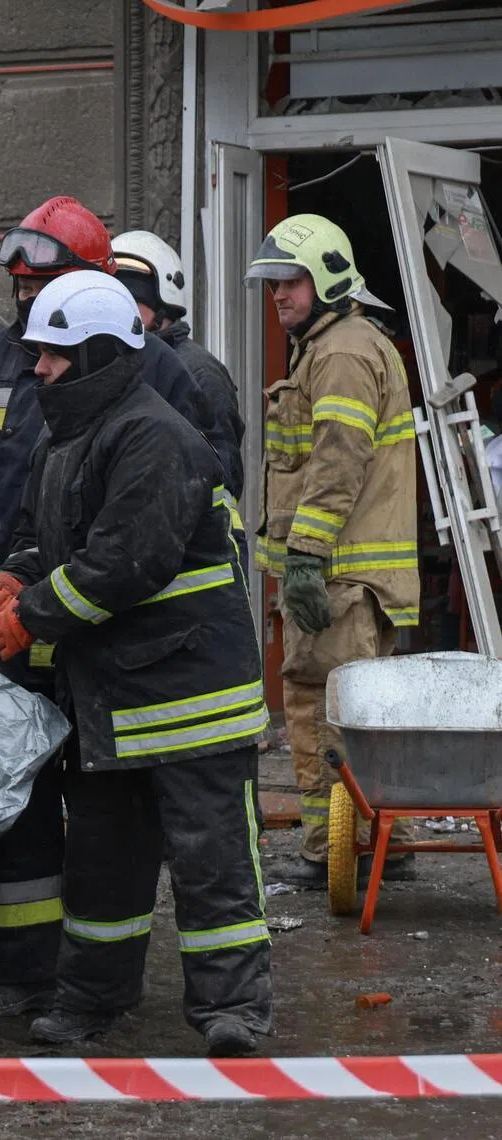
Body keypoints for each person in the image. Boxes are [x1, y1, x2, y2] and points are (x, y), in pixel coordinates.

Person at [0, 195, 216, 1022]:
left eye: (43, 284)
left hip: (104, 640)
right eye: (18, 285)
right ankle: (17, 974)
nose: (25, 303)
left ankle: (100, 983)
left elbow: (170, 506)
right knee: (12, 807)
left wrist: (51, 602)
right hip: (2, 629)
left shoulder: (153, 372)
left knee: (112, 815)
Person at [0, 270, 271, 1058]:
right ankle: (90, 1004)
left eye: (53, 354)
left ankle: (233, 1011)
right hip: (114, 701)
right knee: (103, 870)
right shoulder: (68, 436)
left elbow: (124, 564)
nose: (37, 368)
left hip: (191, 700)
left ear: (100, 356)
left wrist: (29, 614)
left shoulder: (155, 436)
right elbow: (66, 539)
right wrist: (20, 568)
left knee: (213, 865)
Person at [244, 213, 419, 887]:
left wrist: (308, 558)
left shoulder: (341, 352)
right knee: (359, 714)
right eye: (274, 285)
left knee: (324, 710)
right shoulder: (329, 345)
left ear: (327, 279)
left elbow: (337, 465)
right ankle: (378, 843)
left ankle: (335, 853)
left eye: (291, 282)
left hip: (341, 579)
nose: (280, 296)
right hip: (349, 577)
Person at [111, 230, 247, 570]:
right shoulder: (115, 368)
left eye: (132, 299)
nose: (120, 310)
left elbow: (222, 478)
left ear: (163, 305)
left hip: (195, 562)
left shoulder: (199, 373)